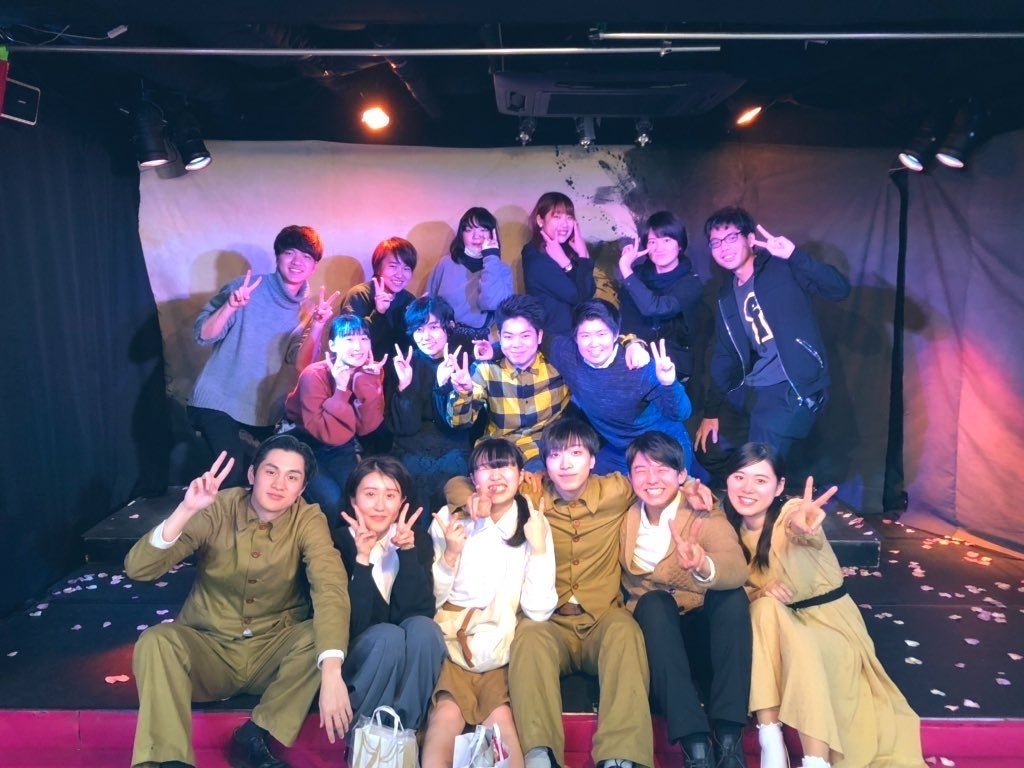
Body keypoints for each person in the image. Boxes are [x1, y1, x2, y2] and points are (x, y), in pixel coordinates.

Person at [125, 435, 351, 768]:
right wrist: (186, 510)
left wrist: (331, 671)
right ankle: (168, 760)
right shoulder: (218, 506)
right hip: (210, 650)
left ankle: (256, 734)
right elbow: (139, 569)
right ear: (252, 474)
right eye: (271, 472)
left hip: (271, 655)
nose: (279, 484)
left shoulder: (308, 518)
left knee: (320, 637)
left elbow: (329, 585)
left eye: (292, 477)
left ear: (302, 489)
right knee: (156, 641)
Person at [722, 443, 925, 768]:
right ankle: (771, 742)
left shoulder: (791, 514)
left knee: (792, 636)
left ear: (779, 486)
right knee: (763, 608)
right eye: (739, 477)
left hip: (828, 624)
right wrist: (759, 593)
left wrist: (804, 527)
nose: (747, 488)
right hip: (776, 629)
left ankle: (815, 759)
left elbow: (801, 529)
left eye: (760, 480)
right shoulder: (727, 529)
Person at [506, 418, 653, 768]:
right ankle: (539, 754)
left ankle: (620, 756)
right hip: (551, 623)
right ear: (545, 463)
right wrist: (475, 499)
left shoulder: (616, 491)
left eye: (575, 453)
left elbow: (658, 482)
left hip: (600, 618)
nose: (566, 464)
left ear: (592, 459)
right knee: (528, 635)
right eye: (555, 455)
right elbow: (461, 485)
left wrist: (692, 487)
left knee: (625, 630)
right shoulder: (531, 494)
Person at [423, 438, 557, 768]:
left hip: (501, 648)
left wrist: (539, 549)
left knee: (501, 723)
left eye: (504, 466)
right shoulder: (449, 518)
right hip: (452, 645)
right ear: (472, 478)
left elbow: (538, 610)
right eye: (485, 468)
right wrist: (450, 555)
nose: (495, 476)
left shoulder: (533, 522)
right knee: (444, 718)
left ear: (521, 474)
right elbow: (430, 600)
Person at [620, 431, 751, 768]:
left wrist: (703, 565)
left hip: (702, 636)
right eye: (641, 470)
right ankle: (696, 748)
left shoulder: (702, 512)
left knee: (732, 598)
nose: (652, 479)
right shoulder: (623, 512)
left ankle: (728, 740)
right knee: (654, 603)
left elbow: (735, 566)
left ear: (681, 475)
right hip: (657, 642)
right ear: (629, 477)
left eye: (663, 469)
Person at [694, 207, 850, 487]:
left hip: (793, 386)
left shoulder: (781, 268)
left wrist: (794, 255)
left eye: (731, 238)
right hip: (754, 387)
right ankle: (764, 495)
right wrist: (711, 411)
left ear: (750, 238)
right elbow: (725, 355)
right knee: (709, 449)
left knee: (758, 468)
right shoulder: (726, 294)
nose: (723, 247)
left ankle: (763, 506)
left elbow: (839, 289)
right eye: (715, 242)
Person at [189, 225, 338, 488]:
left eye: (306, 256)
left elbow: (301, 363)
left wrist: (317, 325)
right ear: (277, 256)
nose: (297, 262)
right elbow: (203, 334)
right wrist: (230, 306)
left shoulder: (309, 310)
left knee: (283, 475)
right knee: (230, 476)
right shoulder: (244, 289)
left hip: (262, 412)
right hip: (217, 400)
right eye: (289, 253)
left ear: (314, 266)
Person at [332, 455, 447, 732]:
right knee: (387, 636)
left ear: (402, 502)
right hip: (357, 656)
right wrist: (362, 559)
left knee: (426, 630)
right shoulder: (336, 543)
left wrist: (406, 552)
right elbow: (352, 625)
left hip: (402, 658)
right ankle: (369, 735)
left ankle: (404, 734)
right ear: (353, 499)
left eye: (390, 495)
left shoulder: (415, 539)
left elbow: (418, 612)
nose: (380, 506)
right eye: (370, 494)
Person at [548, 298, 694, 475]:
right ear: (575, 338)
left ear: (616, 334)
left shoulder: (637, 365)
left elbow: (680, 413)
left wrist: (668, 383)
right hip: (619, 450)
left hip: (662, 445)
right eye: (585, 336)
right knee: (584, 482)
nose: (593, 343)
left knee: (659, 487)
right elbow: (533, 340)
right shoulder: (566, 354)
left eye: (601, 334)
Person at [446, 294, 570, 471]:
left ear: (539, 336)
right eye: (509, 337)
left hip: (544, 451)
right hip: (499, 453)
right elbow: (459, 423)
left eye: (525, 336)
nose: (516, 344)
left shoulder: (558, 366)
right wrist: (463, 393)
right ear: (499, 336)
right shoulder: (486, 368)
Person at [283, 314, 386, 521]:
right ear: (333, 345)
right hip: (304, 444)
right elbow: (326, 432)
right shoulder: (314, 374)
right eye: (349, 339)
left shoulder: (371, 371)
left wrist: (367, 382)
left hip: (342, 444)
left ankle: (355, 541)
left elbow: (366, 427)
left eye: (363, 338)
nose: (358, 346)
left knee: (356, 499)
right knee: (333, 502)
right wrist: (340, 389)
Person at [387, 296, 477, 520]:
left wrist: (442, 386)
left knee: (451, 478)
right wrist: (405, 387)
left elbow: (455, 425)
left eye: (434, 327)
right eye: (419, 329)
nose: (425, 336)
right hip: (411, 442)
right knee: (411, 481)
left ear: (449, 327)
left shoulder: (463, 361)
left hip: (453, 440)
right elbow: (405, 428)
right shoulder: (404, 363)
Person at [616, 211, 704, 381]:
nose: (659, 248)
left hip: (674, 364)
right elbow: (626, 320)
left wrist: (626, 269)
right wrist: (632, 343)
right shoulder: (636, 276)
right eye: (652, 242)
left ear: (680, 245)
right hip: (637, 358)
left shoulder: (691, 282)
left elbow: (657, 308)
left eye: (666, 240)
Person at [426, 206, 515, 340]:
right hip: (442, 337)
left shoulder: (502, 269)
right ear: (461, 234)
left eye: (483, 230)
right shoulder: (445, 264)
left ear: (492, 234)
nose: (476, 236)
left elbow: (492, 303)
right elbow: (427, 303)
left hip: (479, 341)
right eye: (469, 229)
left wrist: (491, 257)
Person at [521, 191, 596, 339]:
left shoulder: (566, 251)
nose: (565, 224)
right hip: (555, 339)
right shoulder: (535, 257)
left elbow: (590, 290)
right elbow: (578, 297)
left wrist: (583, 255)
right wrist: (567, 264)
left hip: (576, 335)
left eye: (569, 217)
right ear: (540, 220)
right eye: (557, 217)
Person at [343, 236, 419, 360]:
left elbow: (412, 346)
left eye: (406, 268)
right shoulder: (359, 295)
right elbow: (351, 343)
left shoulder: (409, 300)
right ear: (378, 268)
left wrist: (424, 318)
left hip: (399, 368)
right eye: (393, 266)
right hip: (364, 367)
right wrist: (379, 313)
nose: (400, 275)